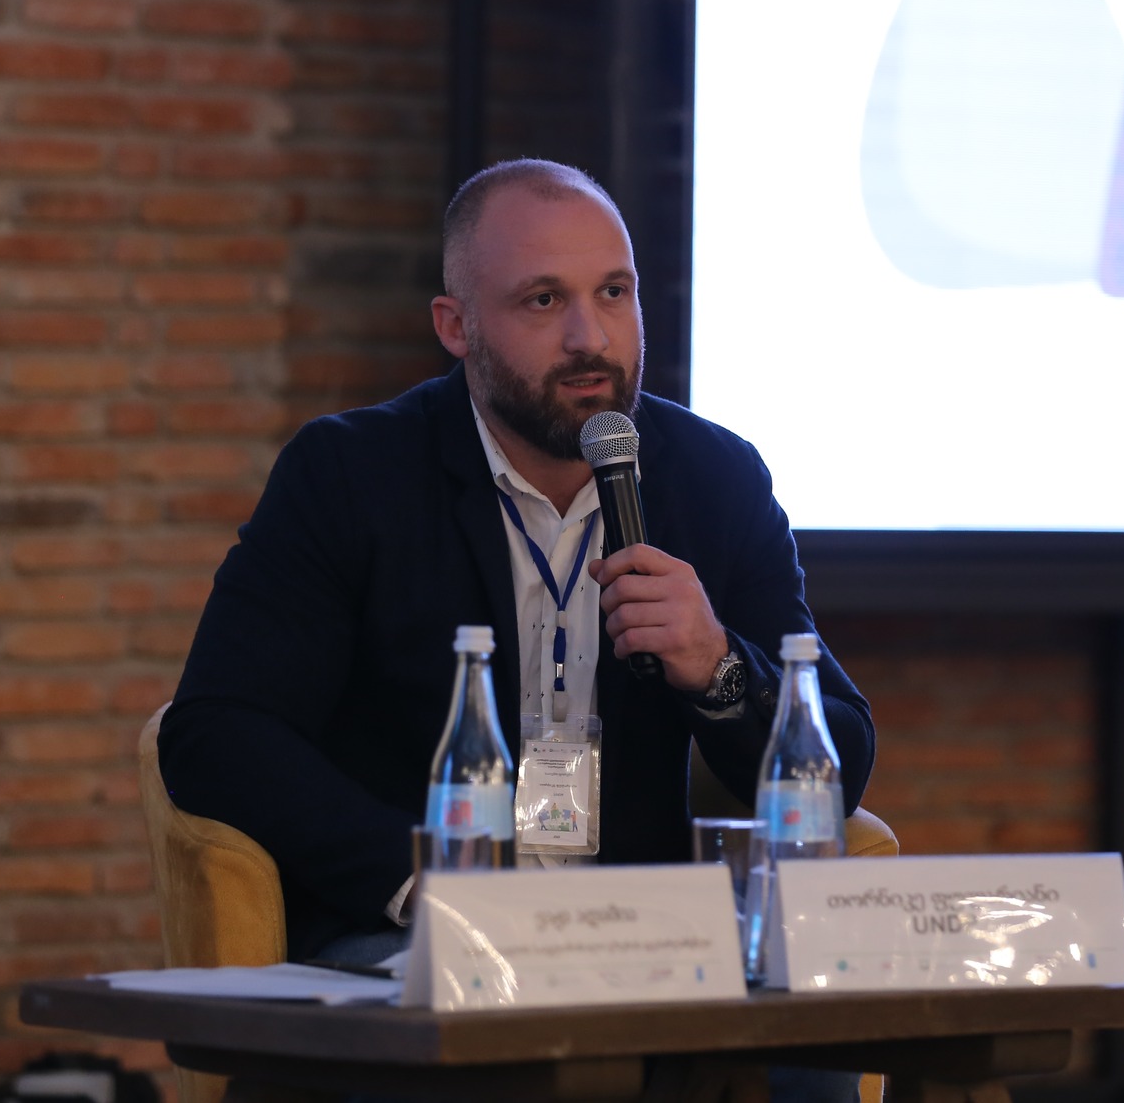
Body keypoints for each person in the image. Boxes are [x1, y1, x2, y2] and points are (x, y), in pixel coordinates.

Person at [159, 160, 875, 1005]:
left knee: (819, 1033)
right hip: (414, 931)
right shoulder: (351, 475)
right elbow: (216, 732)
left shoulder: (714, 478)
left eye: (613, 293)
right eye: (543, 300)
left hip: (644, 940)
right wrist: (422, 877)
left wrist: (717, 666)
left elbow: (842, 759)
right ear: (456, 325)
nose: (589, 337)